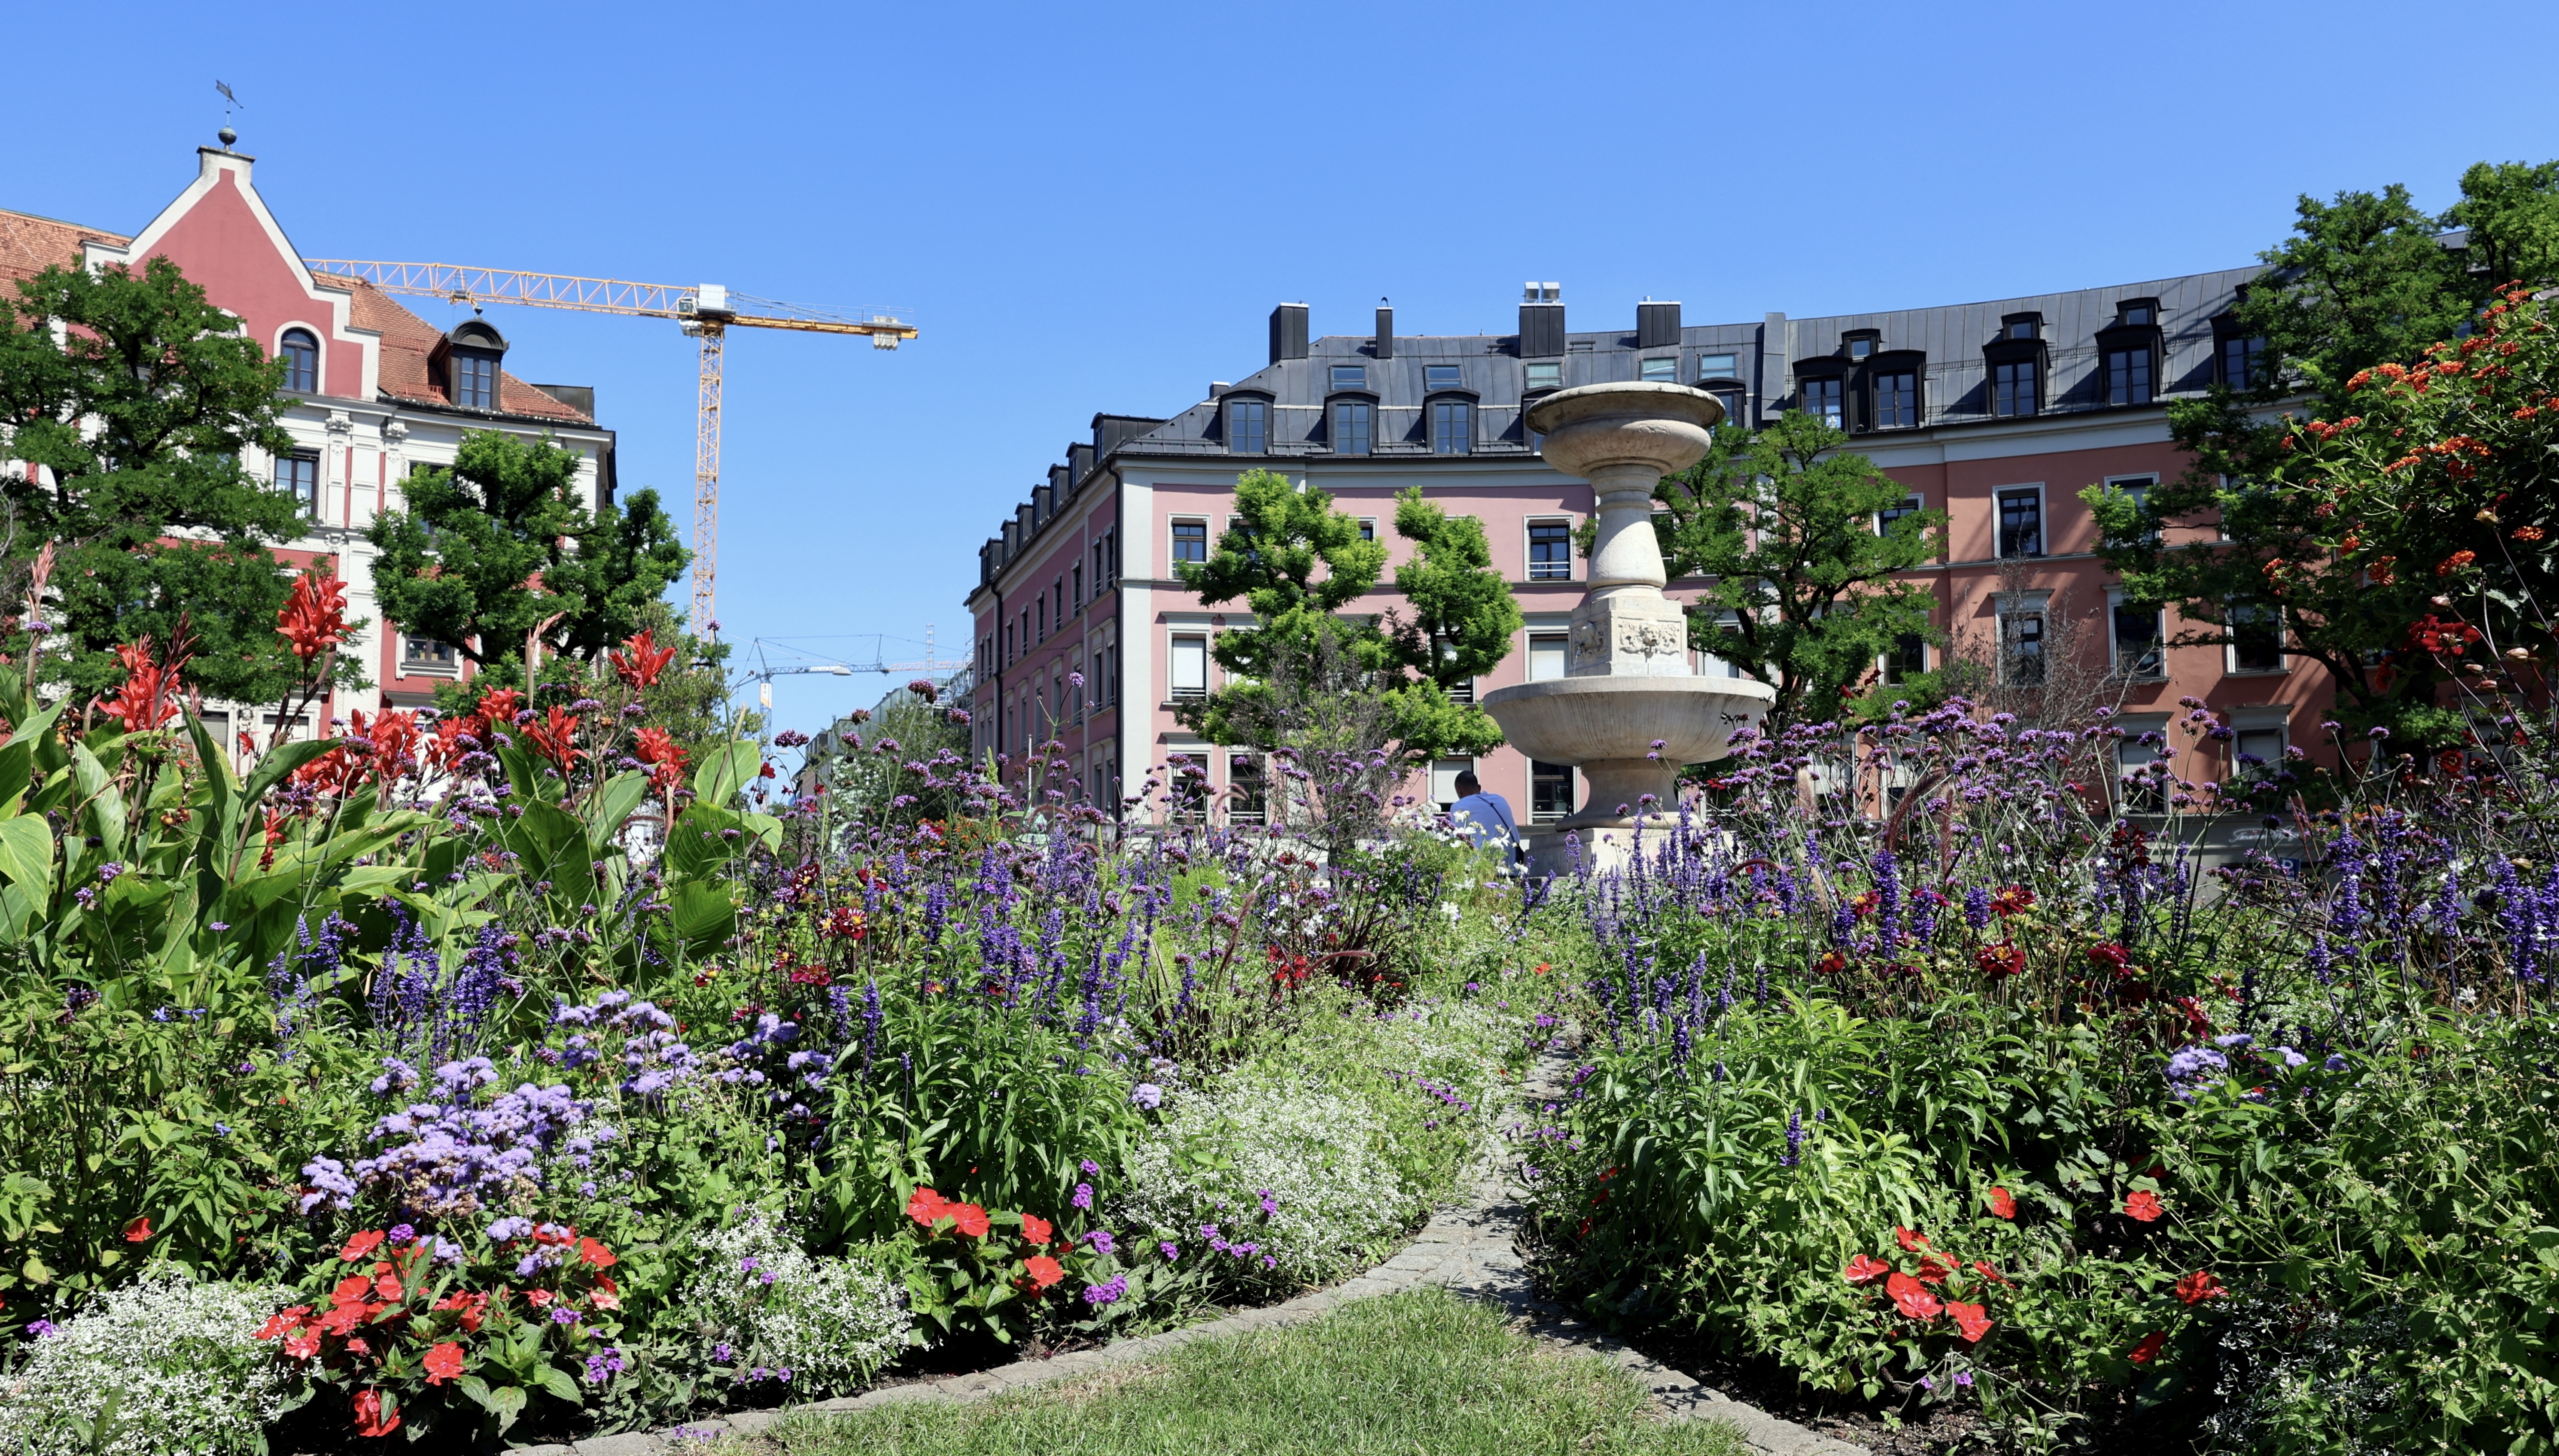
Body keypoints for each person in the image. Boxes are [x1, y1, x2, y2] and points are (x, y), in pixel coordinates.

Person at [1447, 770, 1525, 869]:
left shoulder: (1459, 806)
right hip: (1514, 865)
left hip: (1484, 868)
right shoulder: (1500, 800)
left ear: (1459, 790)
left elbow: (1458, 841)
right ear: (1479, 788)